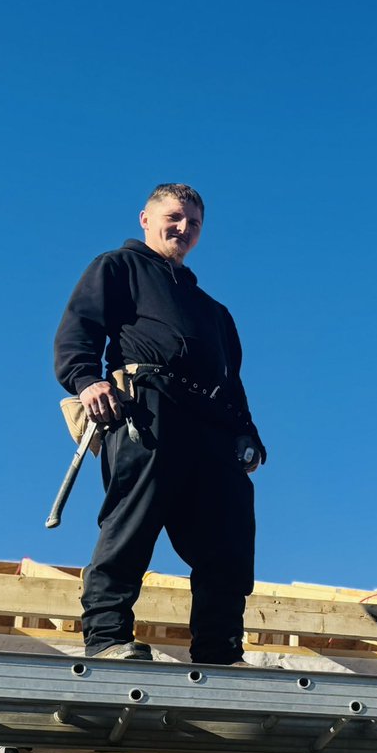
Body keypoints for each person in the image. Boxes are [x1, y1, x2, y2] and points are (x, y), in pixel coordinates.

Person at [54, 183, 265, 664]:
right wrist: (86, 380)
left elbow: (233, 381)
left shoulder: (216, 313)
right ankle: (108, 637)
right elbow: (78, 330)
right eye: (174, 217)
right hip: (148, 410)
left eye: (193, 223)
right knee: (132, 523)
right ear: (145, 219)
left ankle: (219, 651)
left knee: (228, 540)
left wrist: (247, 432)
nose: (184, 228)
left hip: (213, 426)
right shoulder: (117, 267)